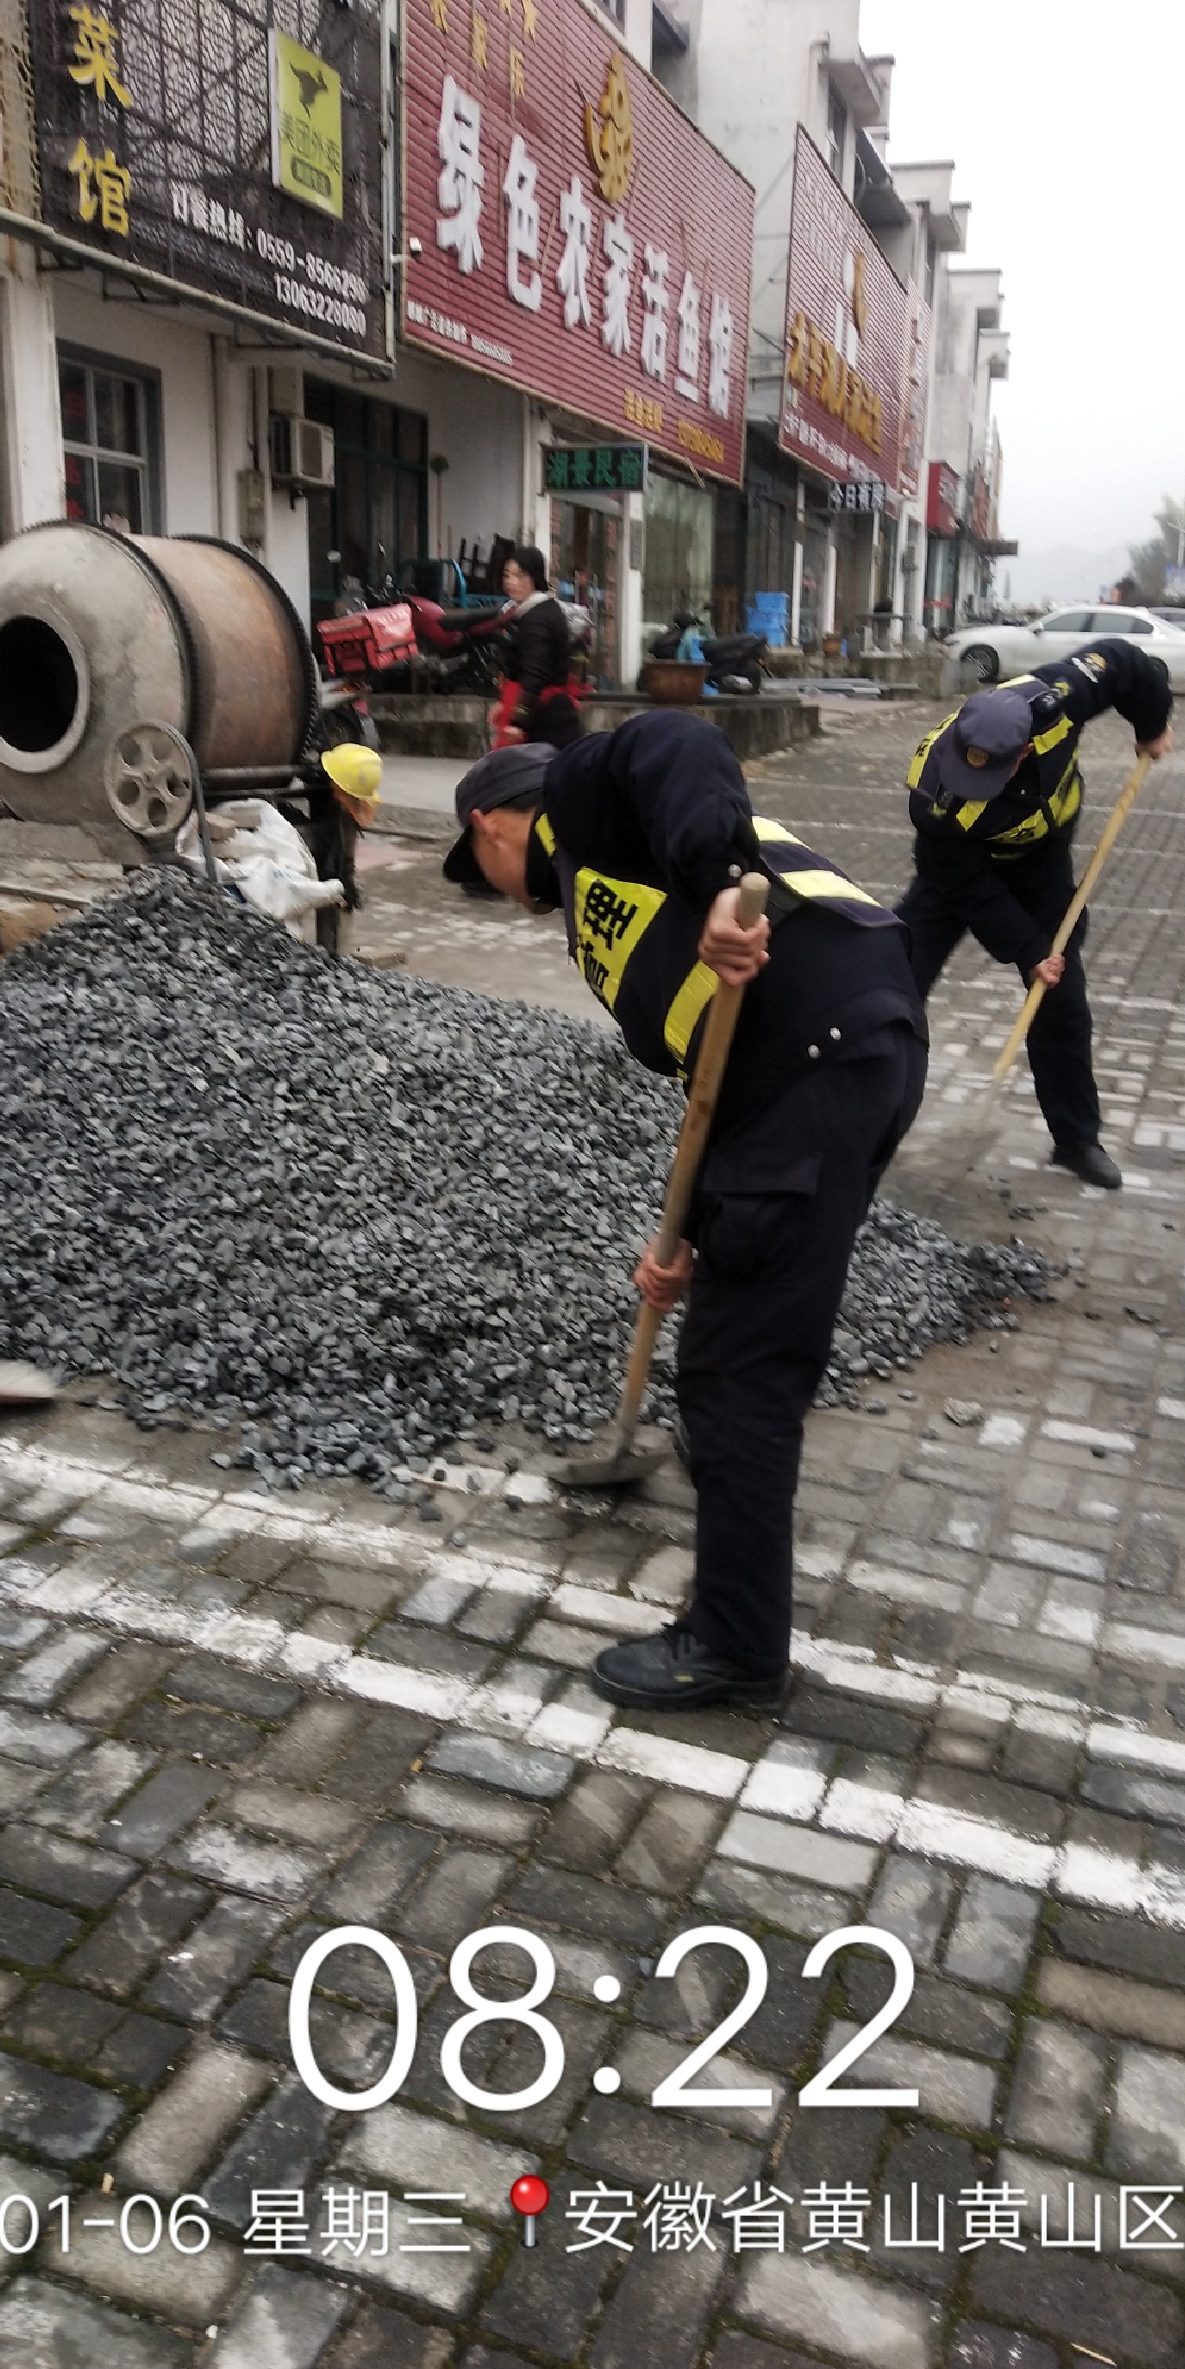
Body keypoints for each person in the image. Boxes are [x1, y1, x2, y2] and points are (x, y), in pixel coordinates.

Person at [442, 714, 928, 1711]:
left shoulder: (582, 800)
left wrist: (717, 886)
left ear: (491, 824)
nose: (490, 885)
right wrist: (693, 1236)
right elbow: (717, 1087)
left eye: (476, 863)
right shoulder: (602, 885)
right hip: (836, 1059)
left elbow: (676, 742)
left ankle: (737, 1646)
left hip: (822, 1054)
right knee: (746, 1308)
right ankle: (730, 1473)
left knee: (736, 1372)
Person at [896, 636, 1175, 1190]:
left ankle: (1076, 1139)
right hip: (958, 876)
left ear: (1023, 751)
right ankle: (862, 1120)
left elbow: (1127, 663)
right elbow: (970, 889)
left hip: (1041, 865)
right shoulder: (933, 797)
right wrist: (1029, 952)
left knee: (1061, 999)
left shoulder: (1058, 697)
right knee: (892, 981)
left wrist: (1151, 725)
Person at [493, 544, 585, 751]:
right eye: (507, 575)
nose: (511, 582)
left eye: (519, 575)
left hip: (545, 719)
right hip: (548, 713)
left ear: (534, 577)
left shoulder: (537, 619)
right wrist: (503, 702)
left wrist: (518, 721)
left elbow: (535, 674)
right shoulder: (536, 611)